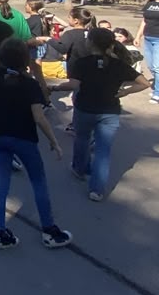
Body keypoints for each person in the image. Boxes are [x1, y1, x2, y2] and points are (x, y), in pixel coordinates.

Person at [0, 38, 73, 250]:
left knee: (1, 183)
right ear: (25, 60)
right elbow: (39, 117)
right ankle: (48, 230)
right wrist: (54, 141)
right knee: (38, 182)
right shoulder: (29, 85)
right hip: (24, 139)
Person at [50, 29, 150, 201]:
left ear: (90, 43)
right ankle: (97, 189)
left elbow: (73, 84)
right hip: (109, 110)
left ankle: (79, 169)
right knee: (103, 149)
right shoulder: (118, 64)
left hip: (85, 108)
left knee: (82, 139)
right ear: (111, 44)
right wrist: (125, 92)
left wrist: (54, 88)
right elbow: (144, 83)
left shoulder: (83, 63)